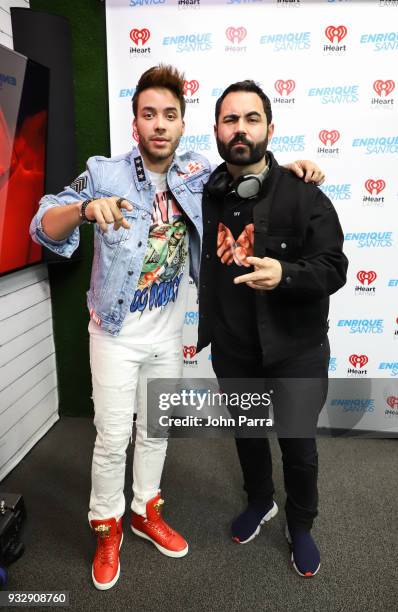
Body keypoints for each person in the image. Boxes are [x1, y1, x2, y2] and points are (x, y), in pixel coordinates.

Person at [30, 65, 325, 590]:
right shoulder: (105, 173)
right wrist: (81, 209)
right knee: (112, 436)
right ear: (135, 121)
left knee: (155, 431)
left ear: (185, 125)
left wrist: (295, 171)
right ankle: (107, 525)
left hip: (167, 333)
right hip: (115, 331)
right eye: (149, 114)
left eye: (170, 115)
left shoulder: (197, 175)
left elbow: (248, 166)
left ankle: (145, 510)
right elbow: (43, 222)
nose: (159, 125)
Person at [196, 80, 348, 577]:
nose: (241, 129)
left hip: (296, 349)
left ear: (269, 127)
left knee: (299, 447)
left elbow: (334, 267)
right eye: (230, 119)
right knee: (247, 435)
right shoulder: (205, 191)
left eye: (251, 118)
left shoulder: (303, 191)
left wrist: (287, 275)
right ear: (217, 130)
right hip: (235, 348)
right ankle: (260, 501)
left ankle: (301, 524)